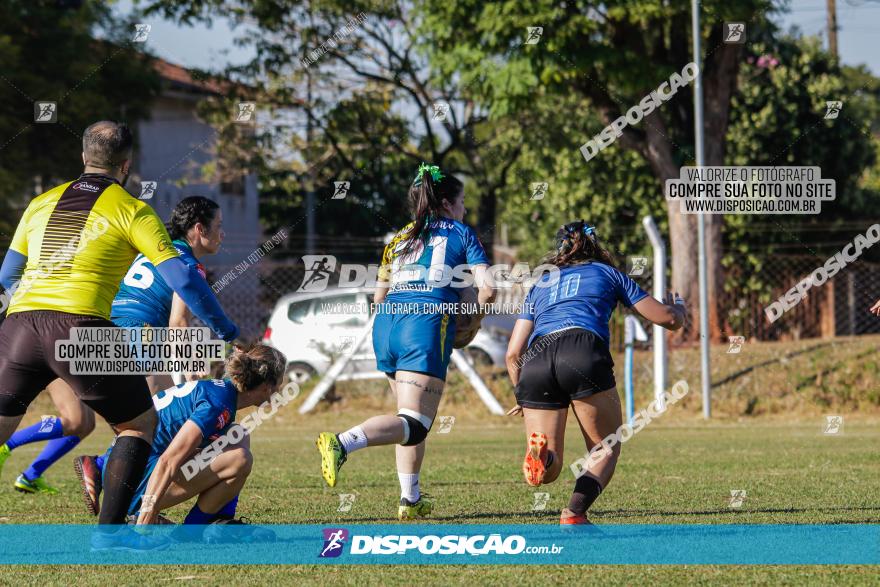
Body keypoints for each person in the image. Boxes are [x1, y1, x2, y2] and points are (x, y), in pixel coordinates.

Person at [0, 120, 238, 550]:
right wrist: (228, 331)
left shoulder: (40, 202)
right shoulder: (132, 209)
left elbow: (7, 274)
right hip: (80, 327)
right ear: (126, 165)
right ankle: (110, 537)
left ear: (83, 157)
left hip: (19, 324)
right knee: (137, 424)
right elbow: (183, 279)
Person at [0, 196, 225, 497]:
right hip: (136, 335)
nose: (223, 235)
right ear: (199, 229)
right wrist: (192, 374)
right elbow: (179, 324)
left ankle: (92, 471)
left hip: (94, 330)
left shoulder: (147, 251)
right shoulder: (184, 263)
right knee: (158, 423)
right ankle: (117, 484)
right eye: (219, 227)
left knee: (95, 422)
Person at [316, 162, 495, 520]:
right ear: (446, 203)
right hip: (424, 324)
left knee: (408, 419)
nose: (464, 210)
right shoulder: (460, 232)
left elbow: (378, 299)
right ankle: (342, 442)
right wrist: (472, 319)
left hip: (387, 326)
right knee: (415, 424)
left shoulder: (399, 237)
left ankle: (410, 500)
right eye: (461, 203)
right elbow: (489, 289)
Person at [504, 220, 686, 524]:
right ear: (595, 245)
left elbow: (512, 354)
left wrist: (522, 392)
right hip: (582, 348)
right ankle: (574, 513)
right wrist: (678, 308)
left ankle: (543, 456)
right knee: (606, 447)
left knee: (551, 471)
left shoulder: (541, 284)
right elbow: (666, 318)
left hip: (536, 360)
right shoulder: (607, 273)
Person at [77, 344, 285, 543]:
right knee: (239, 459)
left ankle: (216, 520)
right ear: (267, 386)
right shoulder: (218, 404)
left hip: (132, 472)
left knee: (237, 435)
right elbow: (169, 460)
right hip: (132, 484)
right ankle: (183, 528)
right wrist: (146, 517)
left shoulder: (221, 393)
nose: (280, 390)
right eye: (280, 383)